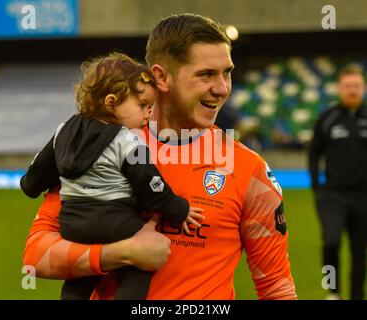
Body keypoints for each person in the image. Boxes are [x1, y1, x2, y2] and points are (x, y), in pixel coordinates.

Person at [23, 13, 297, 300]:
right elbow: (36, 255)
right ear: (162, 77)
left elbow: (276, 286)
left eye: (226, 72)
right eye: (206, 74)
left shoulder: (250, 170)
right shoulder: (101, 145)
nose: (222, 88)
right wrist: (121, 254)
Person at [20, 52, 203, 300]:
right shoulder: (126, 139)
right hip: (114, 223)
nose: (148, 114)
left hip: (73, 226)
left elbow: (34, 178)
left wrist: (31, 186)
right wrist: (179, 209)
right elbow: (150, 184)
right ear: (110, 102)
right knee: (139, 268)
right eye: (142, 106)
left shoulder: (63, 131)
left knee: (79, 280)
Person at [308, 65, 367, 300]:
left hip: (364, 196)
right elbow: (314, 154)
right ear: (339, 89)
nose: (352, 90)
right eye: (347, 86)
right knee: (331, 242)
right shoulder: (327, 118)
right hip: (332, 196)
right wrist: (317, 188)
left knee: (359, 251)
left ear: (362, 88)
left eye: (356, 86)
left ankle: (356, 296)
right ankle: (333, 292)